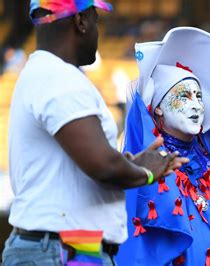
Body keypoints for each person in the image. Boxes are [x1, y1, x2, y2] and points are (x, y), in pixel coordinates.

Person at [2, 1, 188, 265]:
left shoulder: (44, 73)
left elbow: (83, 167)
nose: (97, 32)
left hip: (67, 249)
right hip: (59, 251)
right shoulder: (58, 78)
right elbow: (103, 167)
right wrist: (146, 173)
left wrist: (130, 164)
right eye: (96, 20)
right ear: (80, 21)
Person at [115, 27, 210, 265]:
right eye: (184, 96)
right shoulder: (152, 168)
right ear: (158, 107)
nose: (196, 105)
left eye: (199, 96)